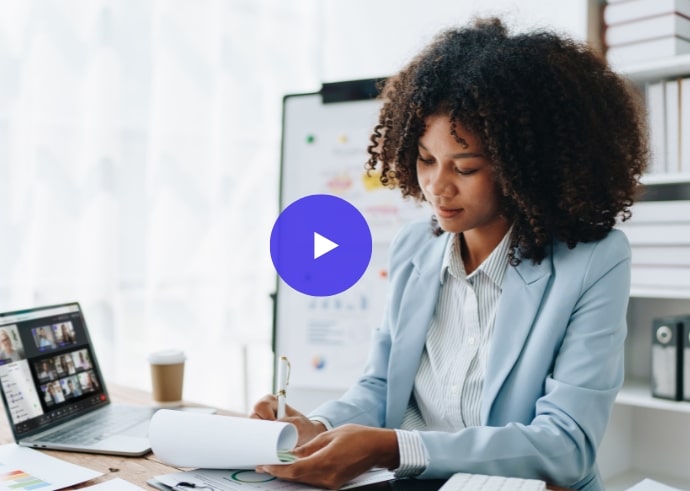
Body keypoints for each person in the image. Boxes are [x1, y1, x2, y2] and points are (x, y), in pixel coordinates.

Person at [251, 18, 647, 491]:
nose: (437, 187)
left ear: (526, 166)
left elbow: (566, 445)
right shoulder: (415, 247)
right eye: (425, 159)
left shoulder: (593, 261)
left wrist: (392, 446)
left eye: (466, 167)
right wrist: (318, 428)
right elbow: (379, 387)